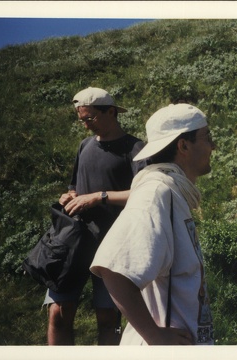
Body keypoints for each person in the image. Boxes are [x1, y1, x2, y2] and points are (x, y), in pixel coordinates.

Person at [90, 103, 216, 345]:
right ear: (183, 145)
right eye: (207, 137)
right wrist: (155, 336)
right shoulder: (156, 192)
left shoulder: (173, 191)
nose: (213, 146)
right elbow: (113, 268)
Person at [44, 87, 147, 345]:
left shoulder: (135, 148)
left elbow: (146, 194)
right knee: (58, 313)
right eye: (81, 120)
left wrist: (99, 197)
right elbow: (73, 187)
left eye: (90, 119)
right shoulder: (85, 146)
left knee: (108, 318)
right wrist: (68, 196)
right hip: (74, 244)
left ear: (111, 112)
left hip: (113, 246)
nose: (86, 126)